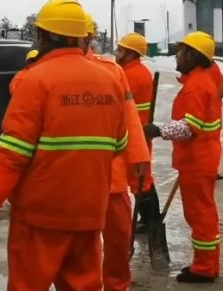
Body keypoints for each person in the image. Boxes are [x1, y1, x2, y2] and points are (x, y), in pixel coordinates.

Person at [0, 0, 133, 290]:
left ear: (43, 36)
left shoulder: (34, 81)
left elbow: (11, 157)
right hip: (88, 215)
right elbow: (119, 145)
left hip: (39, 218)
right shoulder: (110, 81)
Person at [144, 31, 222, 284]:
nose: (177, 55)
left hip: (198, 161)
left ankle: (205, 267)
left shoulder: (196, 86)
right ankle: (207, 263)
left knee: (200, 215)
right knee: (202, 213)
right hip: (200, 159)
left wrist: (158, 130)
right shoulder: (199, 81)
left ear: (193, 55)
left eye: (181, 51)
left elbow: (190, 127)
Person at [82, 18, 151, 291]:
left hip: (113, 176)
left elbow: (130, 119)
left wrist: (140, 161)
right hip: (77, 180)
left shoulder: (111, 71)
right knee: (81, 246)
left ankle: (116, 284)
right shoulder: (43, 72)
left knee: (118, 239)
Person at [116, 32, 160, 234]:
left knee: (140, 181)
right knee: (142, 179)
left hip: (135, 134)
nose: (117, 53)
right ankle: (150, 220)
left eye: (120, 50)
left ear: (130, 53)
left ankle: (151, 221)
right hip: (140, 133)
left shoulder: (130, 75)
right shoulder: (137, 71)